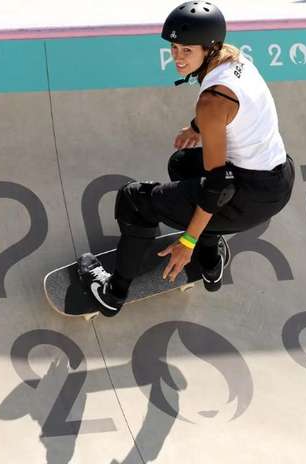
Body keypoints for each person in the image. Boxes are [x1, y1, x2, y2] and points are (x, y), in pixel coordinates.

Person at [78, 1, 295, 317]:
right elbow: (239, 113)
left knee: (134, 199)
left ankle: (112, 293)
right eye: (174, 48)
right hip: (277, 177)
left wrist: (188, 241)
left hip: (245, 196)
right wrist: (196, 127)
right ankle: (211, 263)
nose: (177, 58)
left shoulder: (211, 101)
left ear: (208, 49)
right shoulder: (236, 60)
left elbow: (217, 184)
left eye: (186, 51)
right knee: (182, 164)